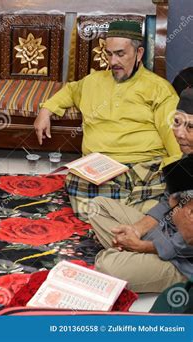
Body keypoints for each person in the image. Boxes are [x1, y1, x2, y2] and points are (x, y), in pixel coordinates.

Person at [33, 20, 182, 218]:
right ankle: (140, 216)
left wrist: (177, 178)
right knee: (77, 183)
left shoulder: (159, 89)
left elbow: (175, 138)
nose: (113, 62)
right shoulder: (93, 81)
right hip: (102, 168)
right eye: (109, 54)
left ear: (138, 53)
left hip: (145, 165)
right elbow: (70, 91)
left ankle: (116, 217)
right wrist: (46, 110)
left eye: (120, 54)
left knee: (167, 187)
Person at [89, 156, 193, 293]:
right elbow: (167, 202)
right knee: (98, 207)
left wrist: (144, 247)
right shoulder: (187, 156)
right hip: (164, 230)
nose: (179, 134)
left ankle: (127, 256)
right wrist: (136, 230)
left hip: (184, 262)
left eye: (188, 132)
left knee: (105, 266)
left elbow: (188, 238)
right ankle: (129, 253)